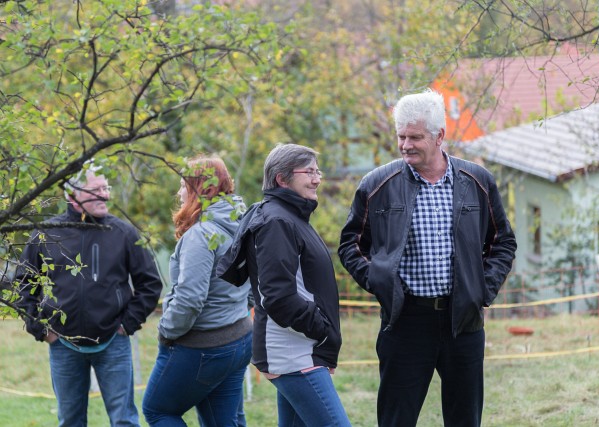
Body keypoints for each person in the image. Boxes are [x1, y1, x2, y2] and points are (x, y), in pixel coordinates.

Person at [338, 89, 517, 427]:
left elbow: (502, 242)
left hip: (463, 321)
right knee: (396, 419)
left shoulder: (477, 181)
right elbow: (351, 244)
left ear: (439, 136)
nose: (405, 144)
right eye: (401, 136)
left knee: (464, 419)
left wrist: (481, 289)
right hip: (404, 320)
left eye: (415, 137)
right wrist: (380, 282)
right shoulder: (376, 185)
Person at [16, 164, 163, 427]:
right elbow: (24, 285)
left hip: (113, 344)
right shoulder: (46, 233)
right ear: (72, 195)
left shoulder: (123, 233)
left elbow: (150, 284)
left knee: (124, 421)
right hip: (63, 345)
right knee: (70, 421)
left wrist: (127, 324)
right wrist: (42, 329)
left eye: (106, 188)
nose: (105, 195)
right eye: (96, 190)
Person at [217, 143, 351, 427]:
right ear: (282, 178)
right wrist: (323, 330)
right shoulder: (277, 221)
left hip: (301, 347)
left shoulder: (291, 216)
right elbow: (277, 296)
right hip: (294, 352)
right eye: (309, 172)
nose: (317, 178)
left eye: (318, 171)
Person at [142, 156, 252, 426]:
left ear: (202, 190)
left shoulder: (202, 236)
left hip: (203, 346)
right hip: (239, 339)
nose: (179, 193)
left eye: (183, 186)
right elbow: (252, 284)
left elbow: (190, 300)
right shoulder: (243, 225)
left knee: (158, 410)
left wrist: (166, 331)